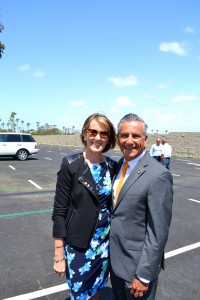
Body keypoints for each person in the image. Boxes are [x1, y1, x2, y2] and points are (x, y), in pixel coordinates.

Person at [52, 113, 117, 300]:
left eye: (103, 133)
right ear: (85, 134)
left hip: (104, 244)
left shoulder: (112, 167)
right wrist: (58, 254)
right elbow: (59, 211)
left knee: (96, 290)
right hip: (78, 245)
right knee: (79, 294)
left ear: (108, 137)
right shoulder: (71, 164)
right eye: (93, 131)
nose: (98, 137)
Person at [109, 113, 173, 300]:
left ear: (145, 139)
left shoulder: (158, 175)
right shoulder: (120, 165)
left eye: (135, 136)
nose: (129, 141)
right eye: (124, 135)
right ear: (118, 138)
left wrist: (144, 275)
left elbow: (158, 232)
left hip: (137, 269)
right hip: (116, 263)